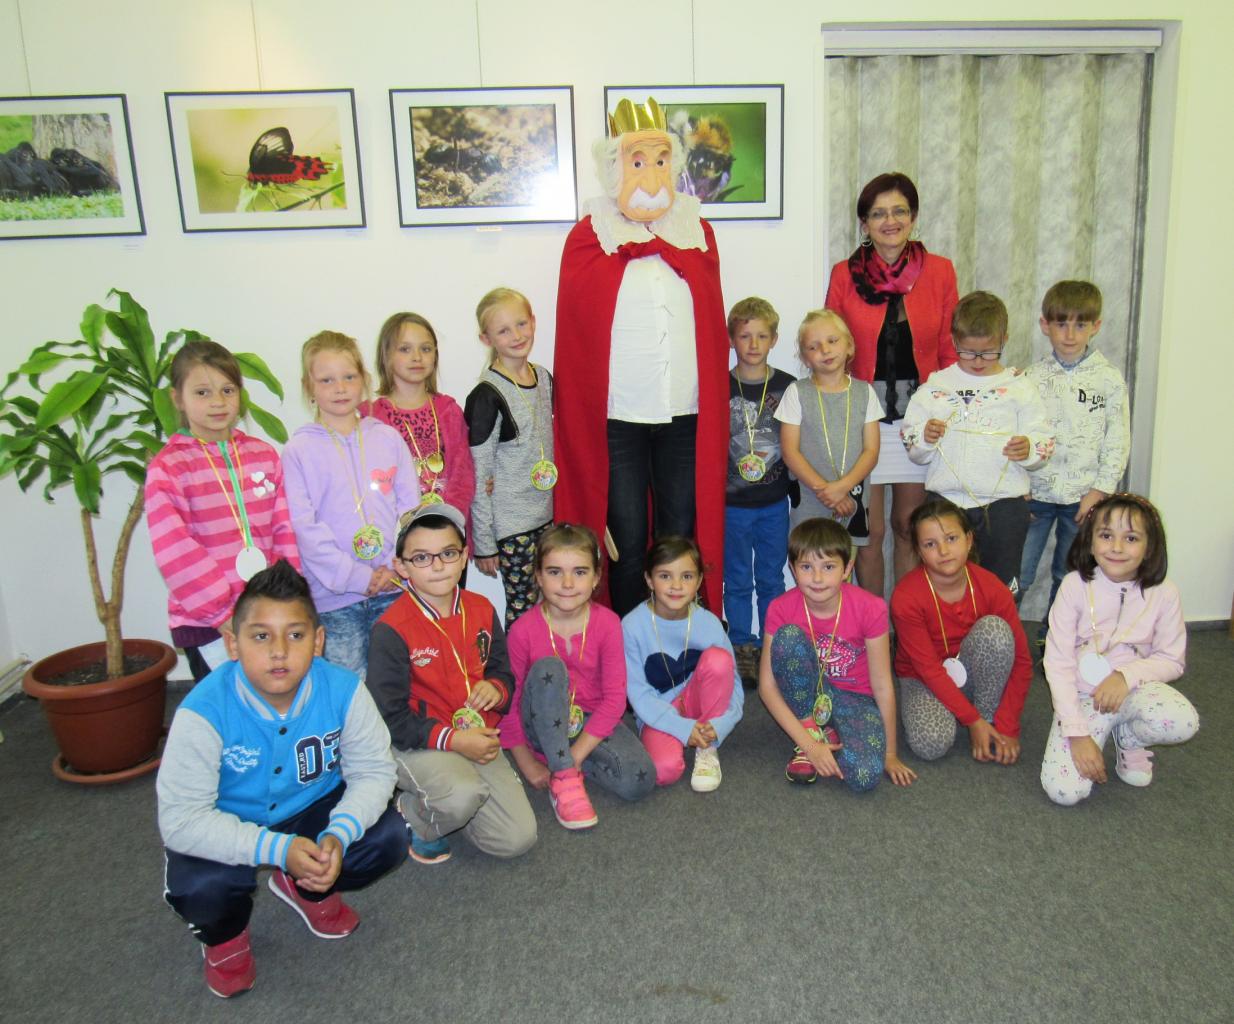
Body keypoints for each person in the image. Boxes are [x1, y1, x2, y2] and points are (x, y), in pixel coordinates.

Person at [157, 560, 405, 998]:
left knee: (388, 837)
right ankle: (225, 939)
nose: (278, 652)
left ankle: (306, 887)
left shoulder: (345, 689)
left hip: (312, 807)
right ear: (232, 644)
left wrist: (338, 835)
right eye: (260, 636)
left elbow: (374, 771)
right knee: (203, 888)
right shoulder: (202, 712)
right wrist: (278, 849)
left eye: (295, 635)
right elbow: (181, 820)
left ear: (318, 641)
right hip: (227, 820)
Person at [554, 97, 729, 616]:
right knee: (626, 540)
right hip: (619, 417)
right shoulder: (590, 236)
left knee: (678, 534)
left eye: (660, 160)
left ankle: (679, 634)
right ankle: (629, 641)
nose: (651, 173)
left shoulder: (696, 232)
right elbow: (578, 335)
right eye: (638, 161)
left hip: (684, 412)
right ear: (616, 167)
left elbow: (709, 321)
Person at [366, 503, 537, 864]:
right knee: (461, 795)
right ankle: (414, 815)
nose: (438, 565)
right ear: (402, 567)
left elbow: (503, 672)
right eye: (422, 557)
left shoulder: (482, 608)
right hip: (416, 741)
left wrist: (496, 689)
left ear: (463, 558)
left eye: (448, 553)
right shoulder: (391, 629)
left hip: (475, 734)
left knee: (515, 840)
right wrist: (454, 741)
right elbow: (390, 719)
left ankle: (453, 801)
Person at [825, 171, 959, 596]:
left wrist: (946, 409)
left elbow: (949, 348)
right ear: (864, 223)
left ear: (913, 217)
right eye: (878, 213)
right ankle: (873, 622)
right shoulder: (844, 274)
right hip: (863, 419)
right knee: (869, 531)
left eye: (899, 211)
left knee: (908, 526)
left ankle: (905, 620)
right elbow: (830, 345)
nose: (890, 221)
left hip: (918, 419)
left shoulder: (939, 271)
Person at [145, 339, 299, 682]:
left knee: (275, 698)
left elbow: (284, 531)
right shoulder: (169, 468)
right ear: (177, 398)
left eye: (228, 390)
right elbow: (175, 551)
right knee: (227, 706)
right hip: (208, 623)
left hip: (269, 611)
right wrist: (221, 612)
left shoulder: (263, 455)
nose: (218, 402)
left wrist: (290, 596)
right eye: (202, 392)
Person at [1040, 494, 1197, 805]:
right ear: (1090, 541)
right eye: (1106, 535)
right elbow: (1057, 663)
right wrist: (1077, 732)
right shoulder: (1073, 586)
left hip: (1133, 690)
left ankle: (1129, 737)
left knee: (1183, 721)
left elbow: (1172, 660)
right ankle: (1093, 730)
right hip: (1083, 697)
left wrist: (1125, 676)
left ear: (1149, 547)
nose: (1117, 547)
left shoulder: (1164, 593)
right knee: (1064, 792)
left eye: (1131, 538)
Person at [282, 331, 419, 679]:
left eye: (349, 377)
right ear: (309, 387)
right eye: (326, 380)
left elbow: (409, 508)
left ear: (364, 380)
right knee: (348, 684)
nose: (340, 388)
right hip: (334, 596)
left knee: (395, 680)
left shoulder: (387, 438)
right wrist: (357, 577)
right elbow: (304, 528)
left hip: (393, 586)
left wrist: (394, 565)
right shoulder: (299, 451)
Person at [502, 524, 655, 831]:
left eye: (580, 572)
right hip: (539, 722)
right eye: (555, 572)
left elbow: (615, 700)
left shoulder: (608, 624)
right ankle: (563, 776)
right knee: (549, 669)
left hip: (589, 719)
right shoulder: (522, 630)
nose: (568, 583)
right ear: (538, 576)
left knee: (640, 780)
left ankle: (564, 763)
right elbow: (510, 703)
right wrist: (526, 763)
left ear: (596, 577)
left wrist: (576, 754)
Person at [900, 291, 1054, 592]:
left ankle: (997, 626)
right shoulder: (936, 386)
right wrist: (925, 438)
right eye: (968, 352)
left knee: (999, 588)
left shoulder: (1019, 387)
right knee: (942, 585)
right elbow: (912, 445)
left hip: (1003, 506)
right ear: (954, 341)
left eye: (989, 352)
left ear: (1004, 340)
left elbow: (1043, 440)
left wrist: (1029, 449)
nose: (979, 361)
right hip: (945, 503)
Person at [759, 518, 915, 790]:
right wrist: (810, 745)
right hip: (803, 697)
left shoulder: (871, 608)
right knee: (789, 637)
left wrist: (890, 753)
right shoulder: (780, 608)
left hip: (854, 698)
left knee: (864, 777)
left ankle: (828, 730)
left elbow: (882, 684)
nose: (817, 578)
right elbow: (767, 687)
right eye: (806, 567)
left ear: (847, 569)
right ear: (793, 569)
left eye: (828, 567)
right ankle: (811, 730)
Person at [1022, 281, 1130, 638]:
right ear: (1045, 325)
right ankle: (1004, 639)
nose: (1070, 334)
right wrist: (1019, 484)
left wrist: (1100, 490)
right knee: (1019, 574)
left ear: (1096, 326)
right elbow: (1017, 437)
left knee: (1068, 575)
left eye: (1080, 324)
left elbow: (1117, 440)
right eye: (1061, 324)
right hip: (1035, 496)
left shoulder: (1108, 380)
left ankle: (1054, 642)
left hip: (1083, 500)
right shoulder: (1030, 378)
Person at [890, 499, 1034, 764]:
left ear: (968, 540)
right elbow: (928, 670)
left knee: (995, 631)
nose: (943, 550)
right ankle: (973, 718)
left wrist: (1007, 726)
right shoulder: (906, 597)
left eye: (951, 538)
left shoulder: (993, 587)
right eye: (930, 544)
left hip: (972, 670)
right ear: (919, 551)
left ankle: (987, 717)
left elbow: (1023, 662)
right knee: (930, 744)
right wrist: (971, 720)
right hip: (923, 679)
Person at [623, 536, 744, 792]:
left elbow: (732, 681)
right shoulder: (631, 626)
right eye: (665, 576)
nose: (676, 585)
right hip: (658, 710)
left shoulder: (709, 623)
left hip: (700, 701)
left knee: (719, 660)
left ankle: (706, 746)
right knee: (664, 771)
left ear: (699, 582)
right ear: (649, 579)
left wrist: (721, 725)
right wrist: (680, 727)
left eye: (687, 576)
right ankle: (684, 735)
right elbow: (638, 693)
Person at [464, 287, 554, 627]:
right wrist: (485, 543)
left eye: (521, 324)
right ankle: (518, 662)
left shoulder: (543, 378)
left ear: (533, 321)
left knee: (553, 603)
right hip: (512, 528)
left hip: (547, 517)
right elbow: (479, 473)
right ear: (486, 339)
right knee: (523, 608)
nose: (516, 336)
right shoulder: (486, 396)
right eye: (503, 330)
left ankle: (549, 660)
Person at [722, 296, 796, 687]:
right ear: (731, 339)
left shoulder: (788, 386)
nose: (753, 344)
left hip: (773, 502)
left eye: (762, 336)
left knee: (771, 578)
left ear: (774, 339)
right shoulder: (720, 385)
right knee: (736, 579)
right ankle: (741, 645)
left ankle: (772, 645)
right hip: (731, 504)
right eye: (744, 336)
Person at [777, 309, 881, 539]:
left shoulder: (865, 393)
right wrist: (826, 491)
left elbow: (871, 451)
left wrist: (842, 488)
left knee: (844, 558)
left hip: (851, 497)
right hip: (810, 496)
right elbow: (790, 452)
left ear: (849, 346)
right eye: (813, 347)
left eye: (832, 341)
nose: (825, 350)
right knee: (809, 555)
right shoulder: (796, 392)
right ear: (804, 358)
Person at [363, 312, 475, 524]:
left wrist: (446, 522)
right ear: (386, 355)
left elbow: (463, 476)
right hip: (397, 531)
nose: (417, 357)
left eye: (425, 349)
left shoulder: (449, 411)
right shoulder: (371, 417)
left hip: (447, 528)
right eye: (405, 349)